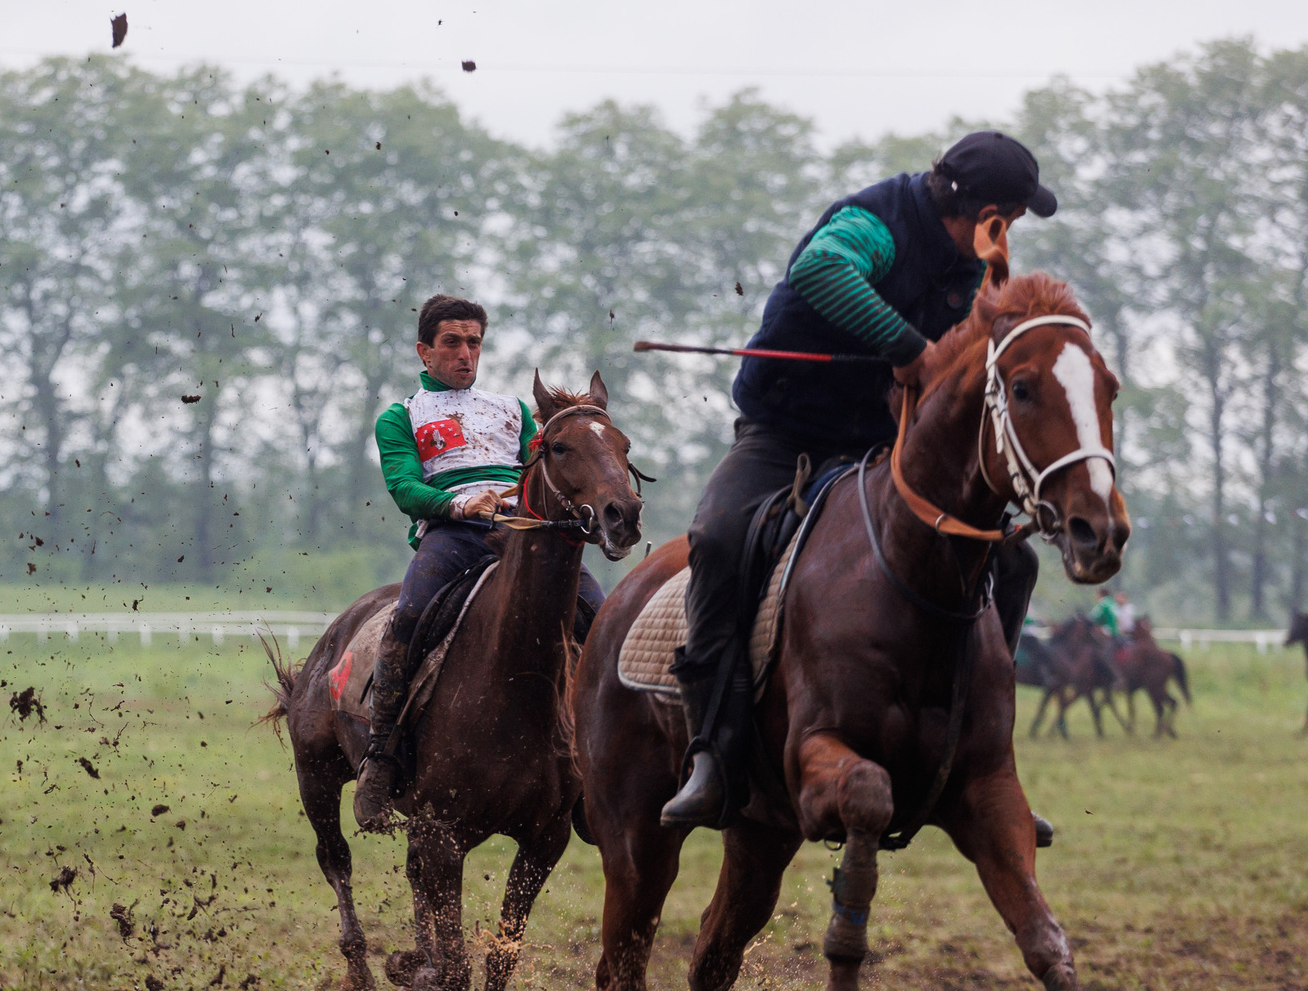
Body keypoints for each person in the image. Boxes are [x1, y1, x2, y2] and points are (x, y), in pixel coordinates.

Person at [661, 131, 1056, 836]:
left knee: (1014, 559)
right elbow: (821, 270)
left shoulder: (975, 263)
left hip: (880, 444)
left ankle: (981, 752)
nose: (1013, 235)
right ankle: (714, 753)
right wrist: (909, 348)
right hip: (784, 432)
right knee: (718, 539)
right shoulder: (875, 221)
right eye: (1012, 220)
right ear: (984, 210)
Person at [354, 293, 606, 831]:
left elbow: (546, 470)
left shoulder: (513, 409)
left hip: (523, 534)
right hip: (451, 535)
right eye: (452, 343)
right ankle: (380, 757)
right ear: (425, 351)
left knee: (602, 619)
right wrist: (457, 503)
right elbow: (403, 487)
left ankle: (593, 764)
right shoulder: (399, 417)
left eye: (474, 342)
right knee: (406, 619)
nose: (465, 354)